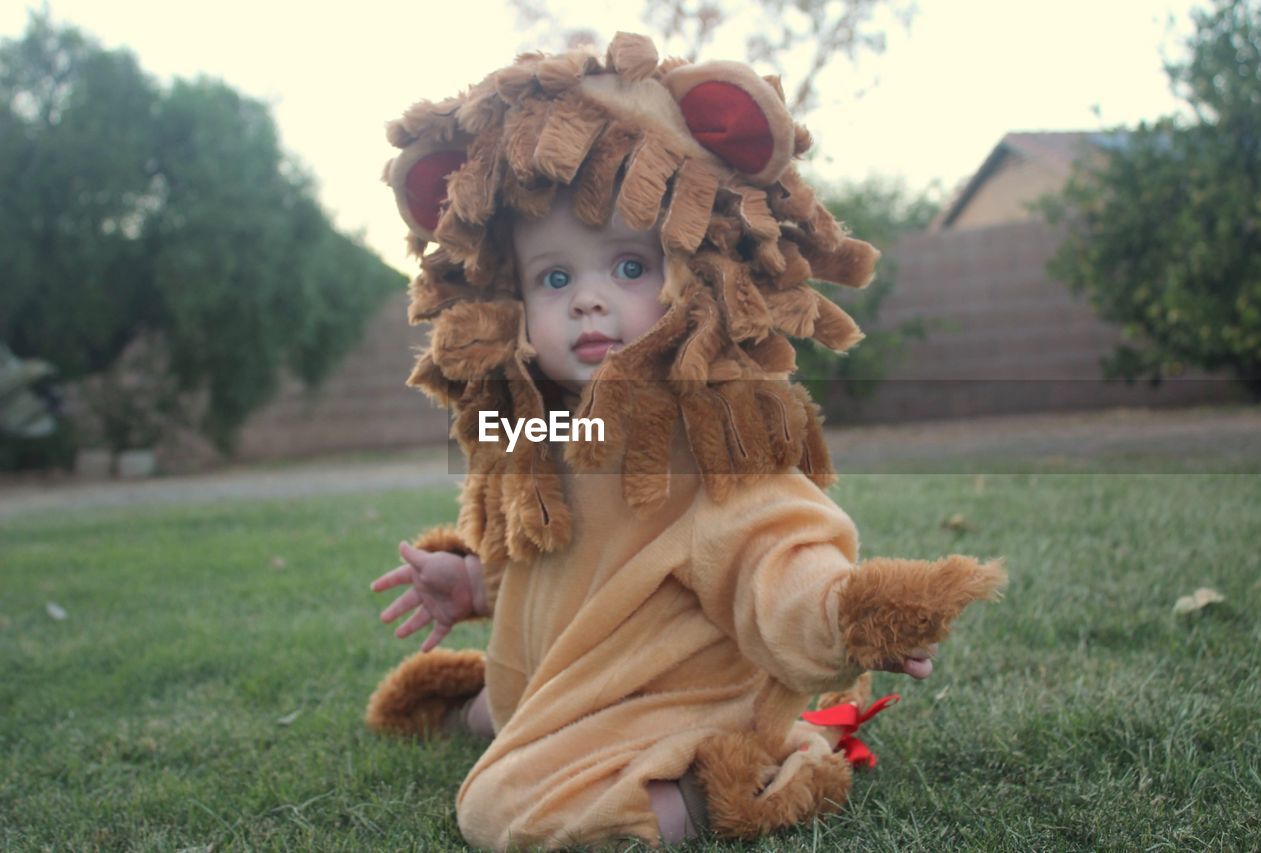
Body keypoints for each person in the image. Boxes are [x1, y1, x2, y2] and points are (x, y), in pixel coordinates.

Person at [366, 33, 1005, 849]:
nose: (589, 302)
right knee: (506, 711)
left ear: (698, 272)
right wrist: (477, 582)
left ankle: (736, 786)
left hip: (679, 696)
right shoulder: (551, 429)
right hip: (591, 686)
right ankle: (504, 713)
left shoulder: (711, 440)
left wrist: (844, 615)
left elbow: (775, 552)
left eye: (628, 268)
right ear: (509, 299)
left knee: (497, 809)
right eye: (556, 279)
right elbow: (573, 564)